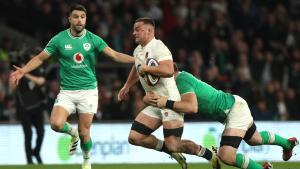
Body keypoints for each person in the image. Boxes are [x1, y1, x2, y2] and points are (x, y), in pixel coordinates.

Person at [9, 4, 134, 169]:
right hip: (67, 91)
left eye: (82, 17)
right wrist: (24, 70)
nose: (79, 20)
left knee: (85, 133)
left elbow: (115, 55)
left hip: (88, 91)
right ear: (69, 19)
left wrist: (136, 60)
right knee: (55, 124)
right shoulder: (59, 39)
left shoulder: (93, 39)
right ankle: (72, 133)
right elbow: (40, 58)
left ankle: (87, 159)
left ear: (86, 19)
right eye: (75, 16)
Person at [144, 63, 299, 169]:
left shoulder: (182, 81)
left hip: (233, 110)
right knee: (255, 139)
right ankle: (287, 143)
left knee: (226, 155)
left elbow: (192, 107)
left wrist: (166, 102)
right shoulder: (178, 83)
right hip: (235, 106)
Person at [118, 17, 220, 169]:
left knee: (174, 144)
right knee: (135, 137)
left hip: (169, 100)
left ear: (149, 31)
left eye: (137, 29)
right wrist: (127, 86)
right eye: (134, 30)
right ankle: (173, 153)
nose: (134, 33)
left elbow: (168, 70)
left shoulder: (160, 48)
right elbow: (136, 66)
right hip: (154, 102)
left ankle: (209, 155)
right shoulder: (138, 50)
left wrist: (147, 69)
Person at [12, 47, 46, 164]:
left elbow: (41, 81)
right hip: (24, 107)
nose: (34, 57)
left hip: (37, 105)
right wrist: (18, 73)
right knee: (28, 135)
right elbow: (12, 87)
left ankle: (36, 151)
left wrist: (24, 73)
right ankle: (29, 161)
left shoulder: (38, 68)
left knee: (41, 132)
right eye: (33, 55)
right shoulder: (20, 67)